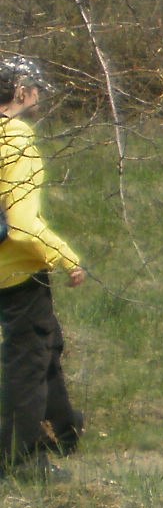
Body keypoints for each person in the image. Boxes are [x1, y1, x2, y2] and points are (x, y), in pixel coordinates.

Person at [0, 57, 85, 480]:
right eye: (36, 89)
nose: (40, 96)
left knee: (47, 342)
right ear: (20, 93)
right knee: (27, 358)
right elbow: (22, 224)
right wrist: (66, 256)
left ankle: (65, 427)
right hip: (15, 270)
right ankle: (22, 460)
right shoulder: (15, 140)